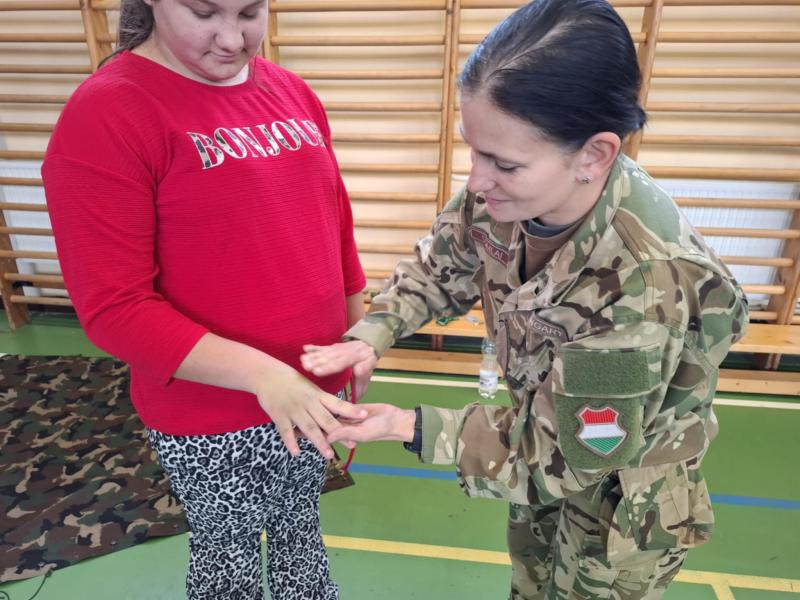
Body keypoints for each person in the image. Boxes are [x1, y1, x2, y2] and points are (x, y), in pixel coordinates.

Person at [300, 0, 750, 598]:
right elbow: (442, 265)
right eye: (474, 150)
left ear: (593, 155)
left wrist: (406, 425)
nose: (475, 181)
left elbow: (566, 455)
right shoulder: (511, 194)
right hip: (537, 458)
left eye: (503, 164)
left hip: (620, 507)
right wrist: (373, 333)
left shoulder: (642, 283)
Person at [41, 1, 369, 598]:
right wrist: (265, 376)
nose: (232, 39)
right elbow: (114, 308)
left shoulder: (290, 90)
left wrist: (357, 331)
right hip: (212, 419)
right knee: (229, 563)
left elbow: (332, 220)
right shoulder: (108, 111)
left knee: (301, 535)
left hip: (310, 393)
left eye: (249, 12)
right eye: (203, 12)